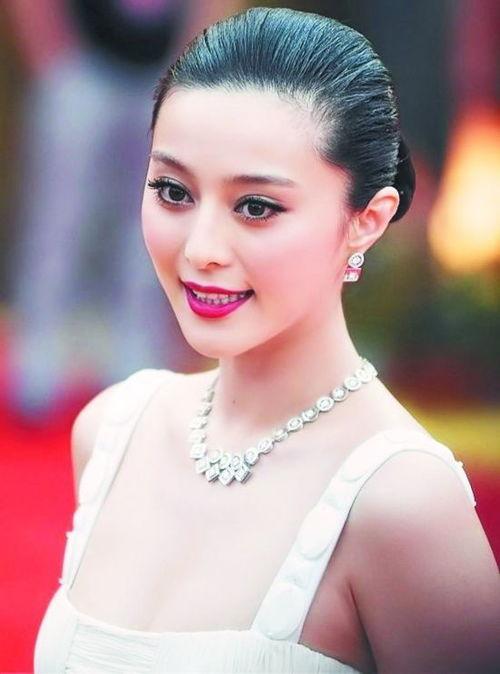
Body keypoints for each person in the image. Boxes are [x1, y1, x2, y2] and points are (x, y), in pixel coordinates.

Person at [34, 7, 500, 673]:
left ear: (367, 220)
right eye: (172, 191)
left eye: (256, 207)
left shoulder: (402, 504)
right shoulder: (112, 431)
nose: (201, 248)